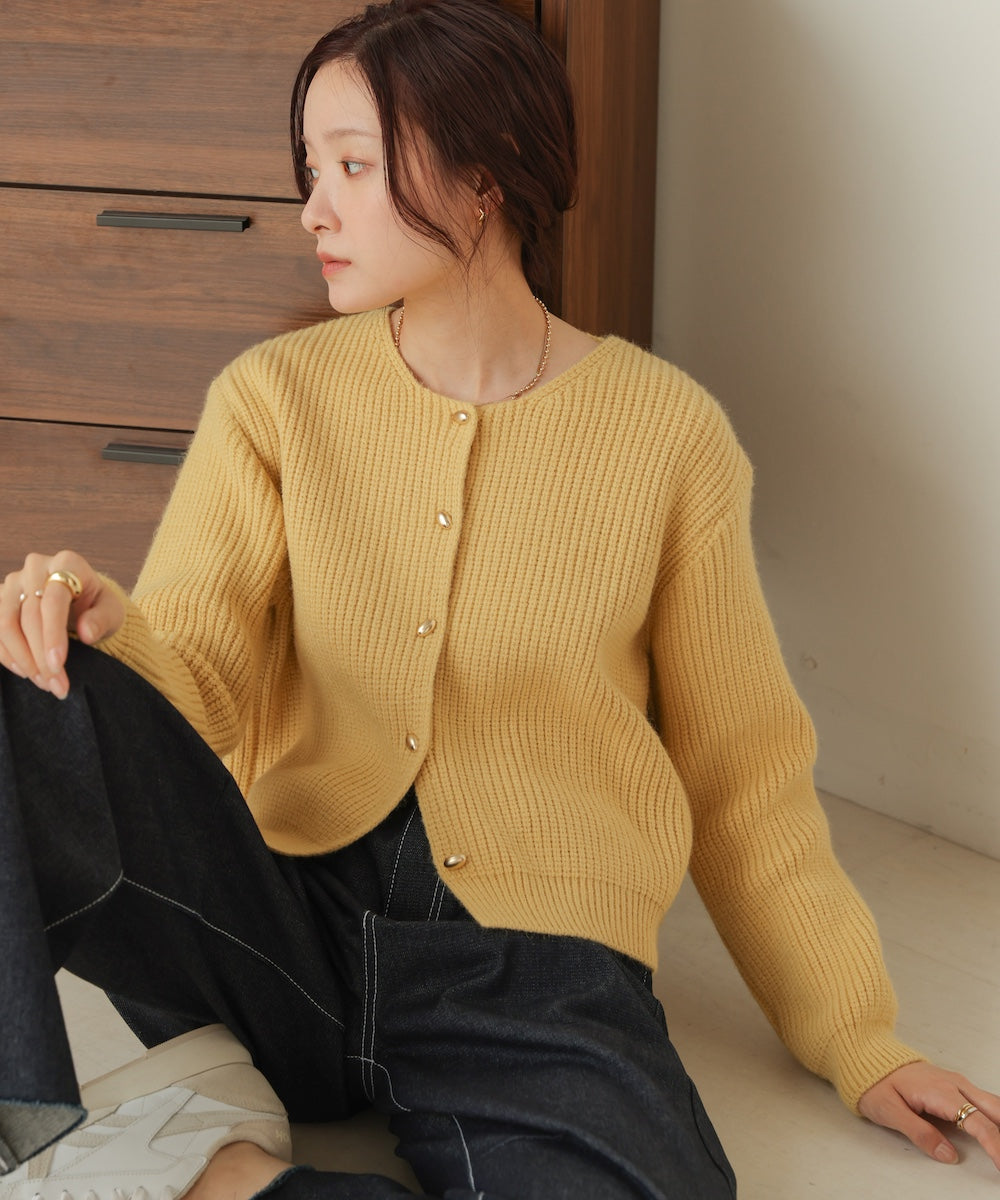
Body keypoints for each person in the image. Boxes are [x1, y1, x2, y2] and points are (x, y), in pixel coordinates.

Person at [0, 1, 998, 1197]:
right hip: (276, 933)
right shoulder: (274, 398)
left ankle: (217, 1181)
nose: (313, 208)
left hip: (529, 970)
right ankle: (30, 1128)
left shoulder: (664, 437)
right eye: (310, 168)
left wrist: (857, 1037)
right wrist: (101, 625)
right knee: (21, 686)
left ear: (484, 177)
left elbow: (742, 778)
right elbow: (199, 679)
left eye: (353, 167)